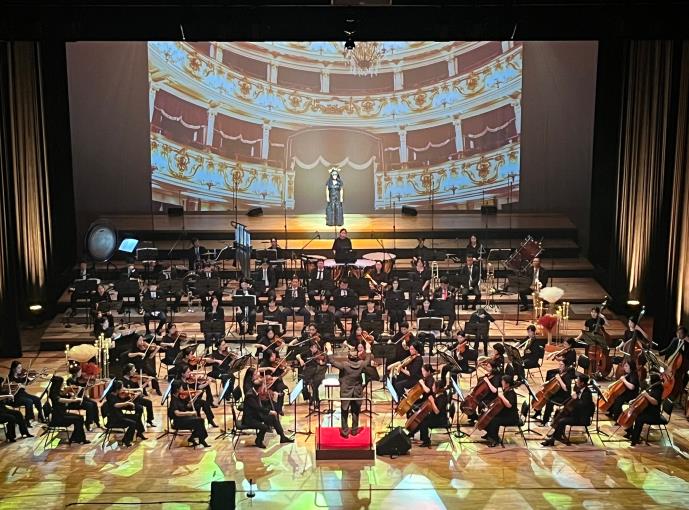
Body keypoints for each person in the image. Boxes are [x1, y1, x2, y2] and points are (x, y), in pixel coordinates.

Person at [326, 343, 371, 438]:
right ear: (357, 357)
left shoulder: (344, 365)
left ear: (348, 357)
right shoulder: (361, 364)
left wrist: (329, 350)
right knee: (355, 411)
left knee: (344, 411)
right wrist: (368, 349)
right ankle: (354, 430)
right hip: (357, 392)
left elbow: (332, 361)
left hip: (346, 392)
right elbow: (368, 360)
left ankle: (345, 432)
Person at [542, 374, 595, 447]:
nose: (576, 381)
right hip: (576, 414)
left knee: (561, 421)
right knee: (559, 413)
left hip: (582, 418)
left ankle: (555, 437)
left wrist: (576, 399)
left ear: (582, 383)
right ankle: (555, 436)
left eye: (578, 380)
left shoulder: (587, 393)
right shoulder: (580, 389)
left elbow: (582, 406)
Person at [243, 378, 294, 448]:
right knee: (265, 427)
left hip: (256, 415)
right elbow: (258, 408)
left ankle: (282, 437)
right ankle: (259, 441)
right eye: (263, 386)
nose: (264, 387)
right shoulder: (250, 395)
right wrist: (269, 411)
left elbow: (260, 405)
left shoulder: (254, 392)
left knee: (273, 417)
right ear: (260, 387)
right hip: (250, 419)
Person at [623, 372, 665, 446]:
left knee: (639, 418)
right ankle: (630, 433)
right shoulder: (652, 386)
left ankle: (634, 439)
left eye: (649, 378)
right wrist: (635, 400)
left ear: (653, 380)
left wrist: (646, 395)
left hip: (653, 414)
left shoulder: (658, 388)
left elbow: (655, 402)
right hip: (648, 410)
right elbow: (643, 396)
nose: (647, 379)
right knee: (633, 414)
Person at [47, 376, 90, 444]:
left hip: (62, 413)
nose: (63, 384)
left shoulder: (58, 391)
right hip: (58, 417)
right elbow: (60, 400)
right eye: (62, 383)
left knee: (80, 418)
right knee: (78, 419)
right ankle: (78, 438)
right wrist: (74, 400)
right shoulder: (53, 393)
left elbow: (65, 399)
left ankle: (76, 438)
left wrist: (73, 396)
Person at [103, 380, 146, 446]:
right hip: (115, 419)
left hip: (119, 415)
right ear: (117, 389)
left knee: (136, 416)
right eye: (122, 388)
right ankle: (126, 440)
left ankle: (139, 432)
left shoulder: (115, 394)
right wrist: (126, 403)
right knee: (132, 423)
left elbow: (119, 403)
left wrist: (129, 400)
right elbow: (115, 405)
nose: (123, 389)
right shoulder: (110, 396)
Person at [168, 381, 210, 447]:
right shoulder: (173, 400)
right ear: (177, 389)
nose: (183, 389)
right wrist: (190, 413)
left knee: (200, 420)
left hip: (183, 419)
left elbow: (187, 406)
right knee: (199, 421)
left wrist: (195, 396)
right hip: (179, 422)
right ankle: (199, 438)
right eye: (181, 388)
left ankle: (198, 438)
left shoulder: (178, 397)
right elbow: (177, 413)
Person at [482, 375, 520, 447]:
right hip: (506, 414)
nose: (501, 382)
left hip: (512, 418)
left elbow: (509, 405)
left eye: (503, 381)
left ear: (507, 384)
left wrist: (502, 396)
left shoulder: (511, 393)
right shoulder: (506, 390)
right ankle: (490, 434)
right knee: (490, 417)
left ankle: (495, 440)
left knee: (494, 420)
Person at [533, 360, 574, 426]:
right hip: (557, 393)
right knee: (542, 397)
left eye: (561, 365)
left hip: (564, 396)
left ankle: (545, 422)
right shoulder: (560, 372)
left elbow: (566, 389)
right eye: (559, 364)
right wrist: (546, 383)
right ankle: (538, 412)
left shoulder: (567, 376)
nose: (559, 366)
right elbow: (553, 380)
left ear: (565, 366)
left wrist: (559, 379)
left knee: (549, 401)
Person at [66, 365, 101, 430]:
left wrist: (89, 386)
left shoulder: (78, 379)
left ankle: (96, 421)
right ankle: (88, 422)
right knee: (90, 405)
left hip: (82, 398)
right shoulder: (70, 380)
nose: (81, 373)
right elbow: (71, 392)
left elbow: (83, 388)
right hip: (75, 400)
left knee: (94, 403)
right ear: (75, 373)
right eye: (80, 371)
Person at [416, 379, 450, 448]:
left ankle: (426, 441)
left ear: (437, 388)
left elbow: (437, 411)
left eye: (433, 386)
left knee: (423, 422)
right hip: (437, 417)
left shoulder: (441, 398)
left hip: (440, 420)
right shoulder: (439, 394)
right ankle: (423, 439)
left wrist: (432, 401)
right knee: (423, 418)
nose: (432, 387)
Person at [0, 377, 33, 441]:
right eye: (1, 383)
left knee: (18, 413)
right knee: (11, 418)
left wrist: (15, 390)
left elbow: (9, 397)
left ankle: (25, 432)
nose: (2, 385)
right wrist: (7, 396)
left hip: (3, 409)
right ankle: (10, 436)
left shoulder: (1, 390)